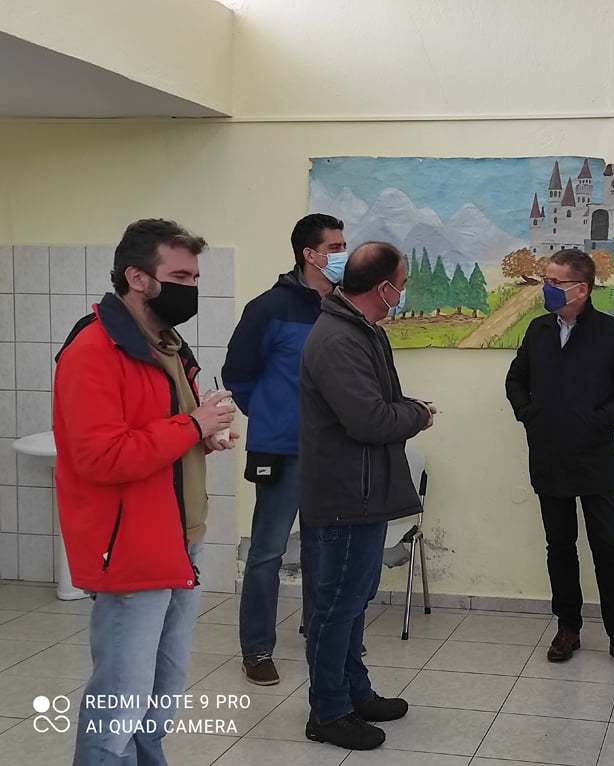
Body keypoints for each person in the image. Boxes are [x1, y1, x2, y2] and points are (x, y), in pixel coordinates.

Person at [54, 219, 238, 765]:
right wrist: (191, 426)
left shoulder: (166, 345)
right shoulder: (94, 350)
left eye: (195, 277)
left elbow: (157, 431)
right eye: (179, 277)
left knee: (161, 691)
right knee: (120, 696)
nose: (191, 288)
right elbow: (101, 456)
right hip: (131, 546)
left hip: (179, 542)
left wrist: (201, 438)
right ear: (137, 277)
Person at [299, 241, 434, 750]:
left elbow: (378, 403)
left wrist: (406, 409)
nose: (403, 291)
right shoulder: (338, 339)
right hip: (343, 497)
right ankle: (329, 712)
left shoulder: (363, 330)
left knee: (353, 603)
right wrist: (418, 415)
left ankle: (355, 693)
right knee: (335, 607)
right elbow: (369, 419)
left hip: (363, 491)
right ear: (384, 288)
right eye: (403, 283)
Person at [505, 247, 614, 673]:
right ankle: (567, 628)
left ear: (582, 289)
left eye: (555, 282)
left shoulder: (612, 333)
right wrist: (530, 414)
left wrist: (599, 420)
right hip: (548, 455)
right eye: (546, 280)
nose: (547, 288)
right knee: (559, 547)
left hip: (594, 460)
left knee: (607, 548)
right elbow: (516, 380)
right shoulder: (538, 330)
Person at [222, 213, 346, 686]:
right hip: (280, 449)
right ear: (309, 255)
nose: (343, 254)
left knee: (323, 551)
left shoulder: (343, 307)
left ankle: (320, 634)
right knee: (268, 552)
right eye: (334, 247)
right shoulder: (268, 308)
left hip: (330, 451)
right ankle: (257, 649)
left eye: (344, 245)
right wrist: (270, 414)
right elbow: (238, 373)